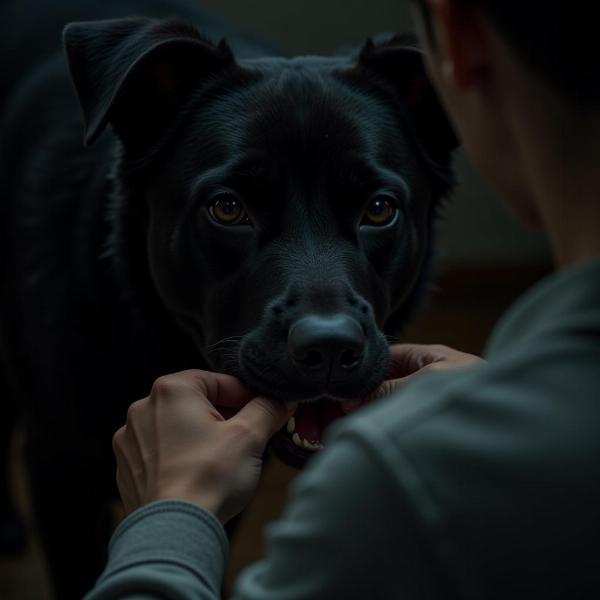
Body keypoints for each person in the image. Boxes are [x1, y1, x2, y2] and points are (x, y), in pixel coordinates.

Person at [86, 0, 600, 598]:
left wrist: (174, 512)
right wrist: (510, 411)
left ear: (456, 45)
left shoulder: (395, 486)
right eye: (230, 207)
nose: (326, 324)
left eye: (377, 209)